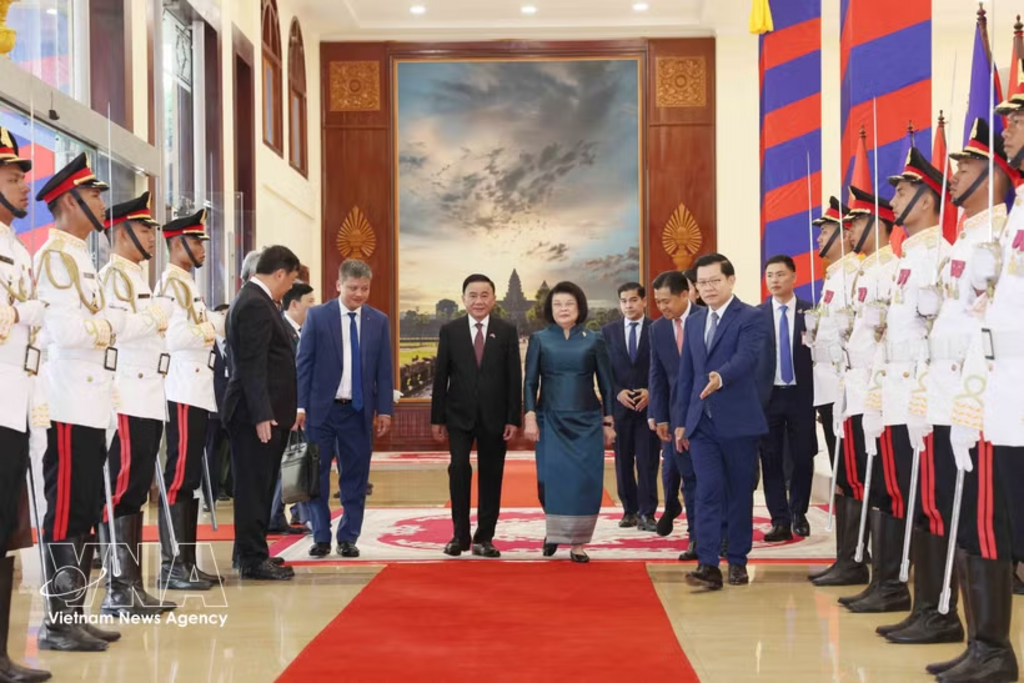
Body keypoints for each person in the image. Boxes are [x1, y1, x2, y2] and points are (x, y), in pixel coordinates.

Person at [935, 93, 1024, 683]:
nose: (1007, 127)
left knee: (993, 523)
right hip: (993, 391)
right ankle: (987, 648)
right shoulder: (1015, 214)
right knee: (980, 522)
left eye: (1017, 119)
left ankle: (992, 650)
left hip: (1010, 392)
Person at [869, 146, 970, 638]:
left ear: (928, 200)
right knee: (912, 498)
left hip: (928, 395)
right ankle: (923, 604)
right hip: (900, 394)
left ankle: (940, 610)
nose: (893, 201)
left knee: (934, 502)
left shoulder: (943, 257)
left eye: (904, 191)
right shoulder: (908, 260)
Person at [32, 153, 122, 651]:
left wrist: (103, 327)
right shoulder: (54, 259)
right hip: (67, 400)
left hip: (91, 402)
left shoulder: (82, 259)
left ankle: (74, 613)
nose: (102, 203)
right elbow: (64, 332)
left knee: (85, 509)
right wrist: (107, 326)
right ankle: (58, 621)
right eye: (93, 195)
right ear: (69, 201)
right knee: (66, 509)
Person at [97, 192, 178, 616]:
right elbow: (120, 329)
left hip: (148, 397)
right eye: (144, 228)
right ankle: (118, 589)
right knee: (122, 490)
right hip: (127, 395)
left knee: (136, 491)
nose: (151, 236)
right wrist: (156, 316)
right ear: (121, 231)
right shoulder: (113, 277)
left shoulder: (137, 279)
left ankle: (132, 586)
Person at [836, 185, 913, 614]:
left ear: (878, 225)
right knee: (873, 484)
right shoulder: (866, 273)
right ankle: (878, 578)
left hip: (883, 389)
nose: (849, 231)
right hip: (860, 388)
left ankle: (890, 582)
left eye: (857, 222)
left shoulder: (890, 269)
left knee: (887, 486)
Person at [671, 253, 768, 589]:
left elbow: (747, 357)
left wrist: (720, 377)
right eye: (702, 282)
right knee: (707, 492)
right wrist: (681, 420)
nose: (708, 288)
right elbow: (686, 375)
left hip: (739, 422)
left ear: (730, 280)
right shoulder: (695, 322)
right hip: (702, 424)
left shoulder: (751, 316)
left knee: (739, 493)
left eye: (714, 280)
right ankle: (708, 564)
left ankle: (737, 560)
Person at [296, 259, 394, 558]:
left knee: (355, 477)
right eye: (353, 288)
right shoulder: (317, 316)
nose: (359, 294)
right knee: (316, 476)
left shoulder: (378, 321)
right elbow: (303, 364)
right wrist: (300, 406)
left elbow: (384, 370)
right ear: (338, 285)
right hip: (320, 412)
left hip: (358, 412)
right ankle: (321, 536)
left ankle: (348, 537)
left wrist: (384, 410)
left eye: (365, 288)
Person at [0, 127, 51, 681]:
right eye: (13, 177)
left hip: (16, 407)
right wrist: (22, 313)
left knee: (6, 537)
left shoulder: (17, 249)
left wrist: (22, 313)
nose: (23, 186)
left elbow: (29, 317)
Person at [157, 209, 226, 591]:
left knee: (191, 479)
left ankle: (186, 562)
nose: (202, 247)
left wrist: (207, 327)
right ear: (177, 243)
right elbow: (172, 337)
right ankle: (173, 566)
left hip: (197, 390)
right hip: (181, 388)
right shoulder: (171, 284)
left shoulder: (186, 284)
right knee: (179, 477)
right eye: (196, 240)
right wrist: (211, 327)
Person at [223, 246, 301, 580]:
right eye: (291, 280)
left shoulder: (256, 299)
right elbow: (252, 365)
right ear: (279, 273)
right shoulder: (255, 303)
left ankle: (249, 550)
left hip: (262, 410)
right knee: (254, 487)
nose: (290, 287)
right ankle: (253, 559)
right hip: (255, 414)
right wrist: (261, 414)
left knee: (259, 484)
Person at [431, 274, 522, 558]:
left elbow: (513, 377)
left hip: (495, 417)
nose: (479, 301)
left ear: (493, 299)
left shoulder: (506, 330)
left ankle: (485, 537)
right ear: (464, 299)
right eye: (473, 295)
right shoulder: (451, 330)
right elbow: (441, 376)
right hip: (458, 415)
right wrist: (437, 418)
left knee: (492, 475)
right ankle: (459, 535)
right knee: (458, 468)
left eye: (484, 295)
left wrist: (513, 418)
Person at [523, 282, 615, 563]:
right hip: (549, 420)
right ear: (550, 309)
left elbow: (606, 383)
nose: (563, 309)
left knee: (583, 483)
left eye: (569, 304)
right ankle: (554, 532)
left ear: (579, 308)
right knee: (547, 481)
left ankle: (577, 543)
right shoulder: (539, 339)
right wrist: (530, 415)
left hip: (586, 422)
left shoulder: (594, 339)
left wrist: (608, 421)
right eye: (557, 304)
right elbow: (530, 382)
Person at [806, 196, 869, 588]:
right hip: (830, 391)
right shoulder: (833, 277)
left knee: (853, 476)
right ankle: (847, 555)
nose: (820, 238)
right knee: (844, 475)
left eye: (826, 231)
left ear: (845, 235)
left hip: (849, 391)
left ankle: (855, 558)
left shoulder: (855, 274)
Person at [759, 255, 816, 541]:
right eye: (770, 275)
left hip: (801, 395)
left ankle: (798, 513)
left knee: (803, 456)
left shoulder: (811, 312)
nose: (774, 280)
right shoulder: (757, 315)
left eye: (780, 274)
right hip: (768, 398)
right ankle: (779, 519)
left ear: (794, 276)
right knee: (770, 459)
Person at [648, 271, 700, 558]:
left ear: (684, 294)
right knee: (684, 476)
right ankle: (695, 537)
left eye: (666, 301)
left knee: (707, 479)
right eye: (657, 301)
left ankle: (716, 534)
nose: (662, 307)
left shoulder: (706, 319)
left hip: (705, 413)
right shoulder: (658, 329)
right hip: (674, 414)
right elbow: (657, 375)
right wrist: (661, 417)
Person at [602, 282, 660, 531]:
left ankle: (648, 513)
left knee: (647, 461)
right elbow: (603, 370)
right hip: (621, 408)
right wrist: (617, 392)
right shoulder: (608, 332)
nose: (628, 305)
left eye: (633, 300)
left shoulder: (657, 329)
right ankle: (629, 511)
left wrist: (651, 392)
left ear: (644, 301)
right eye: (624, 301)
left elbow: (664, 366)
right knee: (623, 461)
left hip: (649, 408)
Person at [268, 281, 316, 535]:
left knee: (297, 462)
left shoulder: (300, 331)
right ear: (295, 304)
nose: (314, 307)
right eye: (310, 302)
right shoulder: (281, 330)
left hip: (297, 408)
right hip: (286, 408)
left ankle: (296, 513)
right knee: (288, 463)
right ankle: (275, 517)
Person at [206, 303, 232, 507]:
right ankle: (210, 494)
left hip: (230, 408)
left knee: (230, 453)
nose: (225, 319)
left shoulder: (233, 345)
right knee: (212, 453)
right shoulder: (208, 345)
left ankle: (228, 487)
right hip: (212, 407)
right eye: (222, 315)